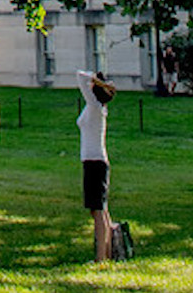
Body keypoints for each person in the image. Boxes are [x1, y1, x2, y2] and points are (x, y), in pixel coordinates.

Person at [78, 70, 117, 261]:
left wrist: (94, 78)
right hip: (91, 161)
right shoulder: (95, 107)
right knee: (98, 209)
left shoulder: (95, 106)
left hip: (95, 162)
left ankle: (101, 257)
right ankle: (107, 252)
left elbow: (80, 76)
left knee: (99, 210)